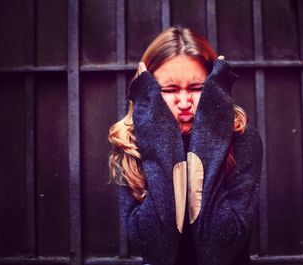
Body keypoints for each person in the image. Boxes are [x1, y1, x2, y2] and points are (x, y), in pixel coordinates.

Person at [108, 25, 263, 265]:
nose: (183, 102)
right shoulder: (131, 143)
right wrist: (159, 137)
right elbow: (154, 247)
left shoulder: (243, 139)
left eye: (197, 88)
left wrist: (211, 130)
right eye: (169, 90)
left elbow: (219, 246)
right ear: (149, 91)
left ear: (215, 87)